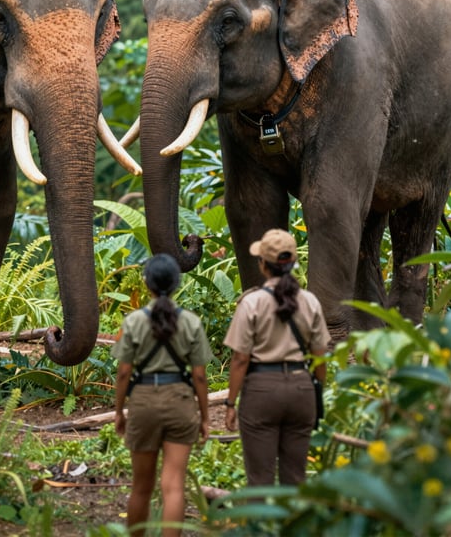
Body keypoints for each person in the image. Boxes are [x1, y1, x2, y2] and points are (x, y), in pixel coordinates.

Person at [113, 253, 212, 537]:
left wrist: (119, 411)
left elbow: (123, 372)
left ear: (147, 284)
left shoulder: (133, 321)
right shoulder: (191, 322)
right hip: (180, 402)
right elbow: (200, 376)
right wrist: (205, 416)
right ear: (178, 284)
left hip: (143, 402)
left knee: (141, 487)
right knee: (174, 486)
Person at [223, 228, 329, 486]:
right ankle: (293, 525)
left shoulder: (252, 303)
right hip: (301, 388)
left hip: (262, 391)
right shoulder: (311, 301)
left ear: (263, 265)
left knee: (259, 479)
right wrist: (316, 391)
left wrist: (230, 403)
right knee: (296, 478)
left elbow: (240, 359)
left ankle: (260, 525)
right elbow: (320, 356)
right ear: (293, 264)